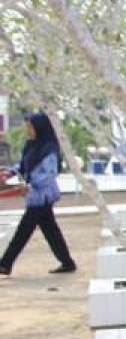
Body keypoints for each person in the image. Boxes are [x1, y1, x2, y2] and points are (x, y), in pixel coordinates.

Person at [0, 112, 76, 276]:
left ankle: (5, 264)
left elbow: (50, 174)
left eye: (31, 126)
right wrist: (9, 173)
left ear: (40, 128)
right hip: (34, 196)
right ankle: (67, 262)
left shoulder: (49, 148)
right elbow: (22, 166)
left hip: (43, 196)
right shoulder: (31, 145)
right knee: (50, 230)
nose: (28, 130)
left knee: (23, 231)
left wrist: (31, 186)